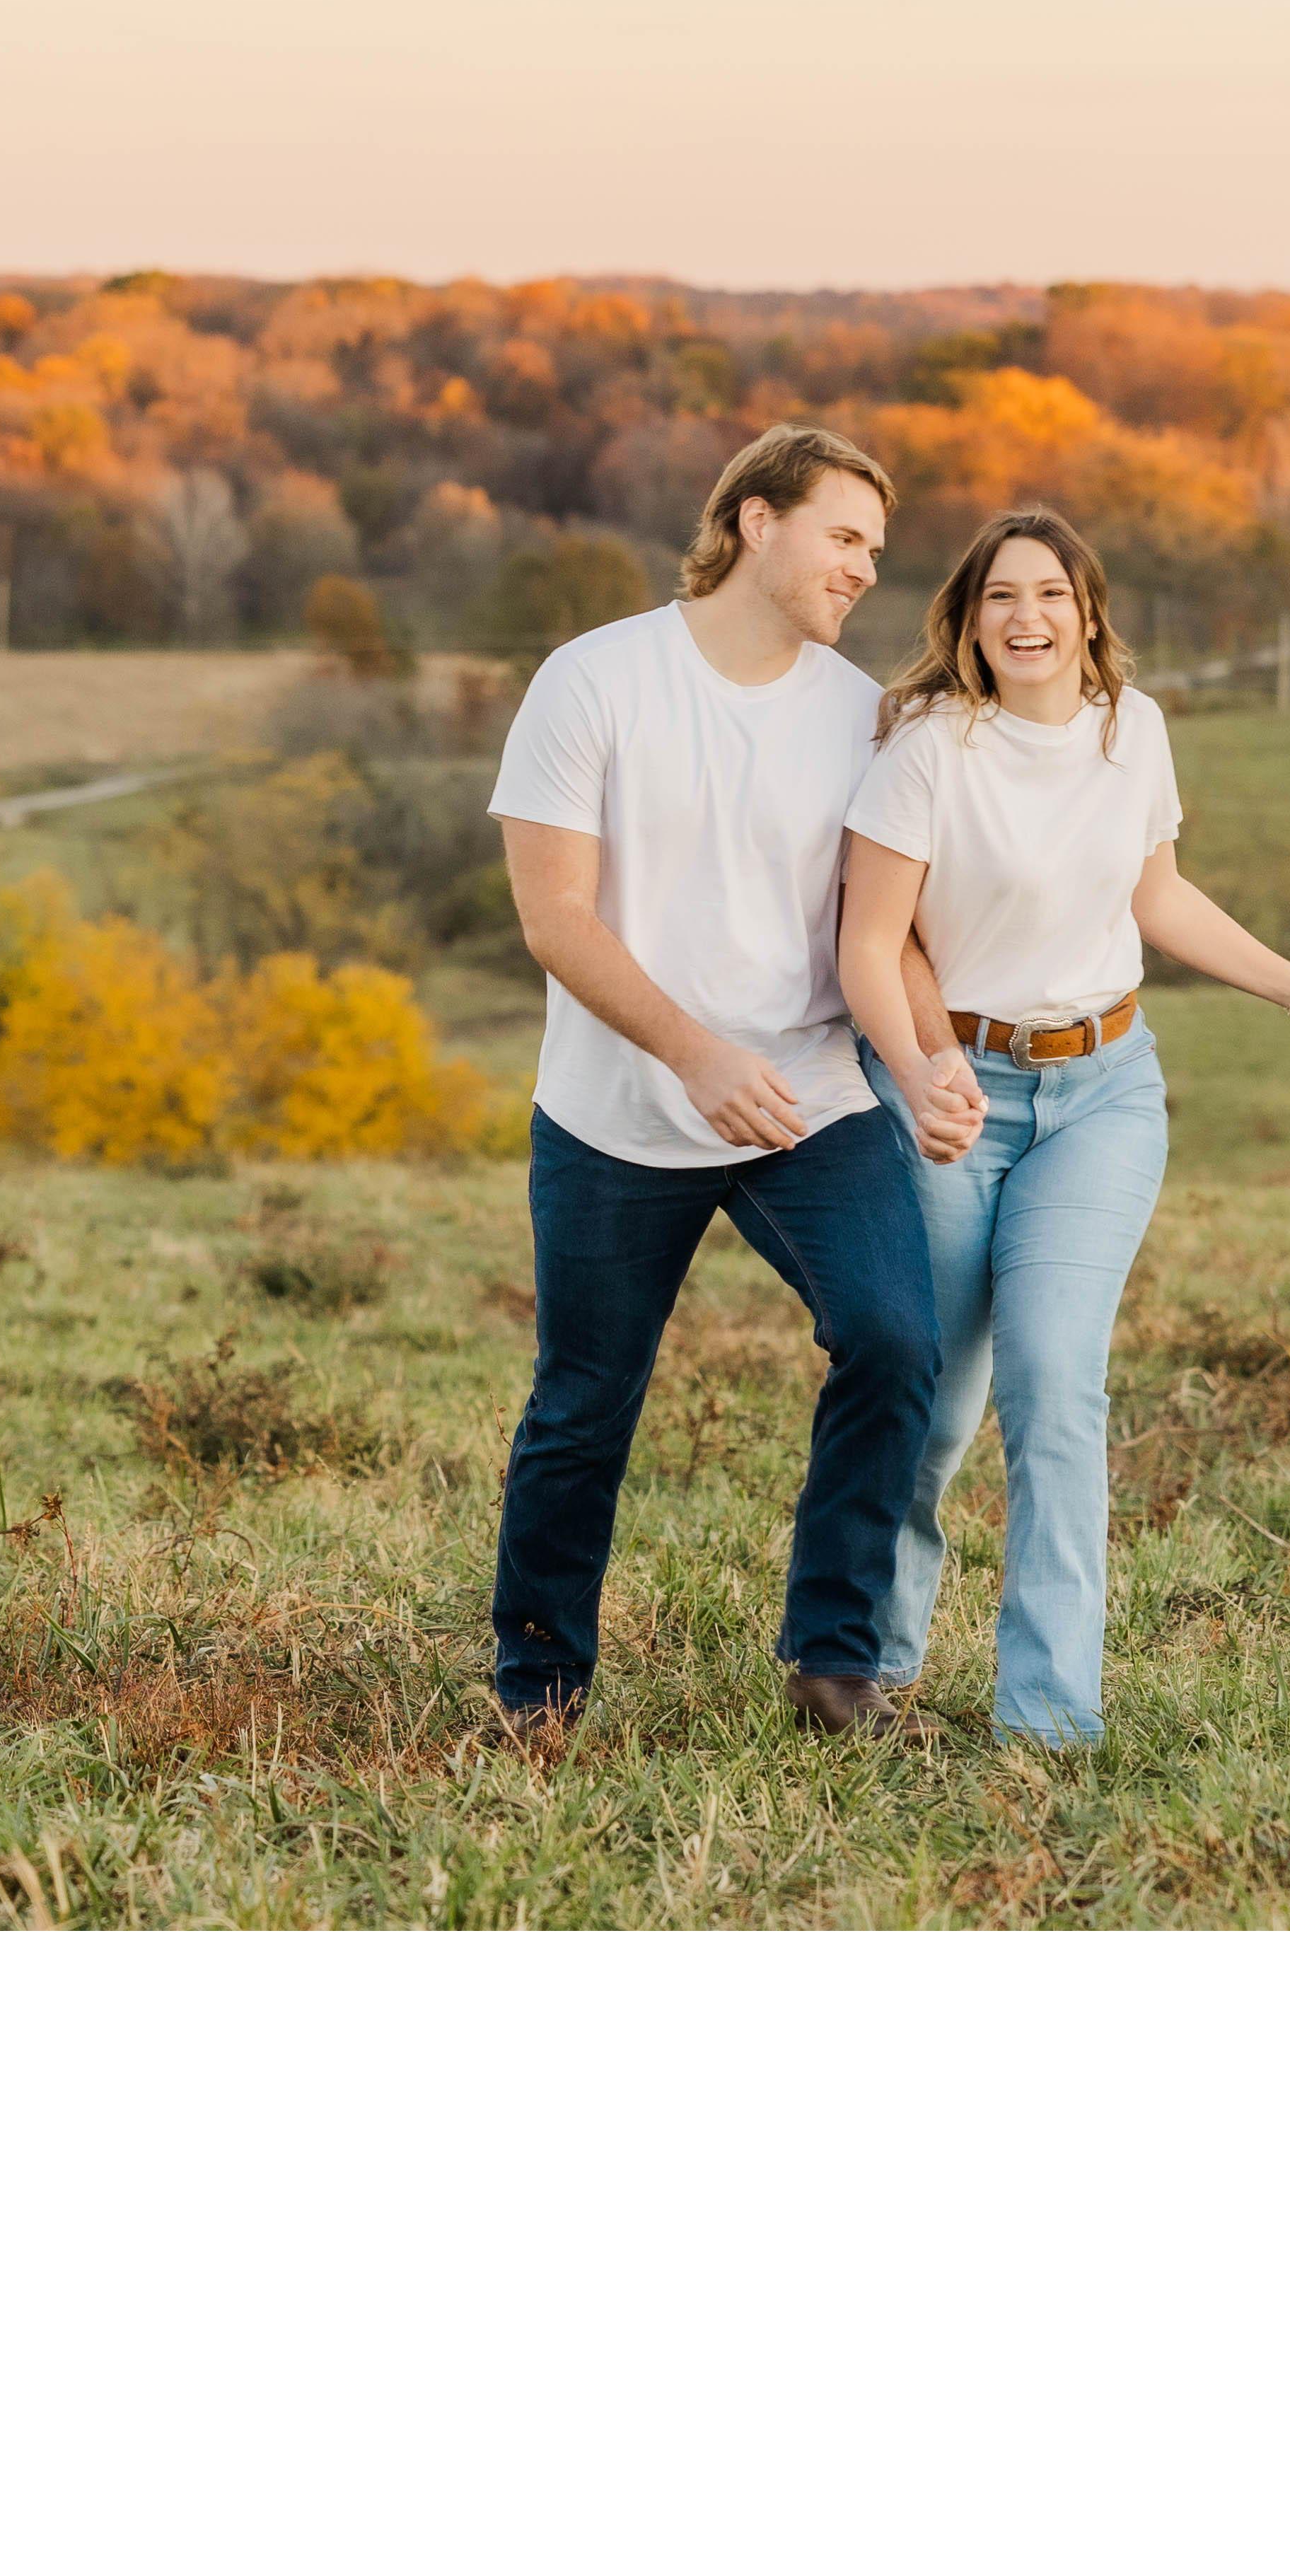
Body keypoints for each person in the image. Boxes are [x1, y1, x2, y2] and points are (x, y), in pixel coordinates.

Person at [837, 505, 1290, 1746]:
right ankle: (869, 1662)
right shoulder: (927, 750)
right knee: (934, 1398)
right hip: (953, 1095)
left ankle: (1048, 1718)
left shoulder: (1131, 729)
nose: (1026, 617)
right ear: (968, 622)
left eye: (1050, 594)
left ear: (1088, 614)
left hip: (1101, 1093)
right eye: (1000, 597)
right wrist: (921, 1071)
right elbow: (868, 944)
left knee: (1054, 1381)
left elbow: (1161, 896)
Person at [484, 422, 973, 1738]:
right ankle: (538, 1688)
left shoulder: (862, 718)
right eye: (844, 536)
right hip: (615, 1109)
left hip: (808, 1098)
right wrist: (693, 1052)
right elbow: (555, 918)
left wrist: (929, 1059)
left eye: (876, 547)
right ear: (758, 522)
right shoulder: (593, 681)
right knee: (584, 1404)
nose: (866, 568)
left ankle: (835, 1662)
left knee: (895, 1340)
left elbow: (886, 928)